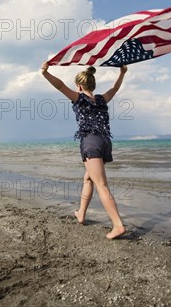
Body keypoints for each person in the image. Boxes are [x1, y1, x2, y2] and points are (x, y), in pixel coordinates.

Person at [41, 62, 127, 239]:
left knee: (101, 185)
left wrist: (45, 73)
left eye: (76, 87)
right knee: (88, 178)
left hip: (91, 142)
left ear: (80, 86)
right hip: (105, 142)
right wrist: (122, 72)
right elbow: (115, 88)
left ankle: (118, 225)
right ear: (93, 85)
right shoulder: (102, 99)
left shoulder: (79, 98)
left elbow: (60, 86)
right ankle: (81, 214)